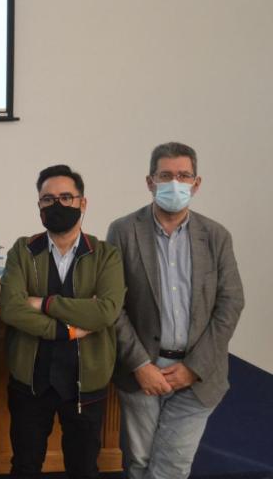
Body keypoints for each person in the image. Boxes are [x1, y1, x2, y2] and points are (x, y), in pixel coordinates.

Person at [107, 142, 245, 479]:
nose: (175, 183)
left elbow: (231, 302)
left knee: (172, 466)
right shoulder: (123, 231)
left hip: (197, 374)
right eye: (166, 175)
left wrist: (193, 368)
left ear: (196, 184)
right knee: (138, 463)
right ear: (149, 181)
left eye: (183, 176)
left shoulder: (215, 236)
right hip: (142, 370)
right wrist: (140, 364)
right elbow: (112, 306)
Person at [0, 165, 125, 479]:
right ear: (39, 206)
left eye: (66, 197)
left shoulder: (106, 254)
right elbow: (11, 308)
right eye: (47, 199)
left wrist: (44, 303)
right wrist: (64, 329)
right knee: (25, 467)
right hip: (30, 381)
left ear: (83, 203)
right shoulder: (23, 251)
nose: (56, 205)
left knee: (83, 469)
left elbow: (106, 311)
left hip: (86, 382)